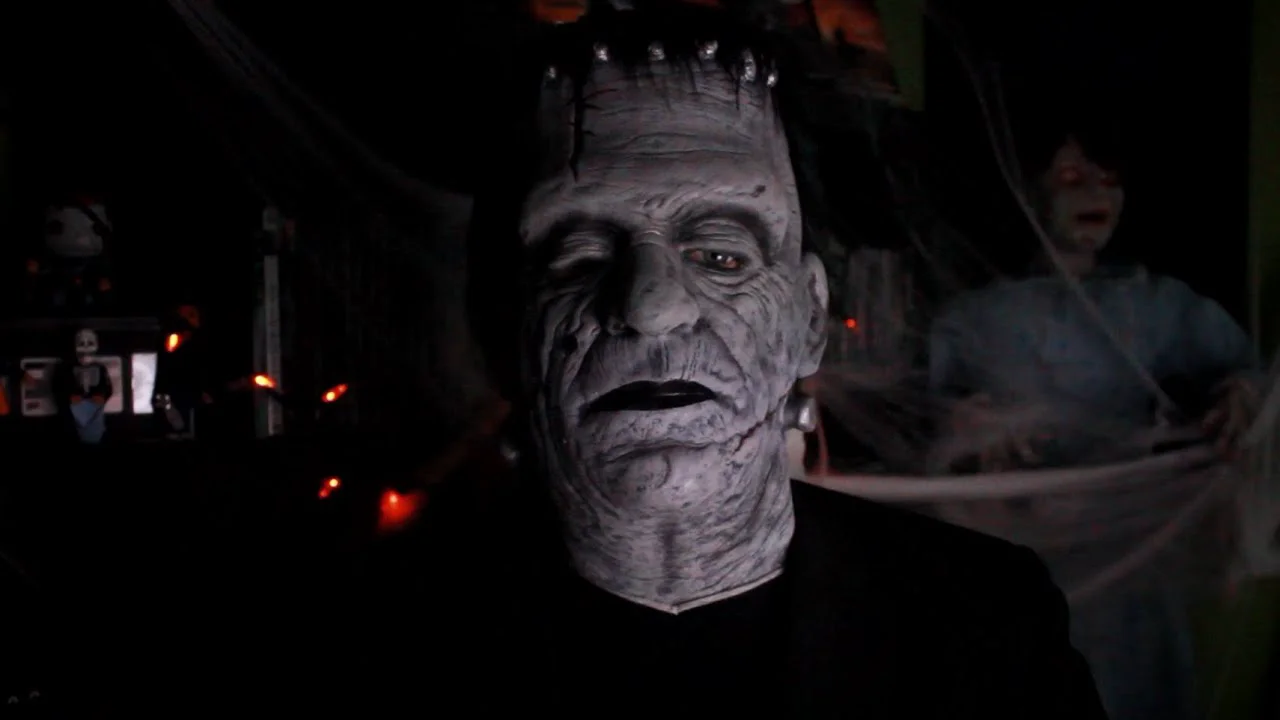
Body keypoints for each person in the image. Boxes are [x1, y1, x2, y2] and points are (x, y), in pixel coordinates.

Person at [354, 4, 1105, 717]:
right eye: (579, 257)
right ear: (497, 326)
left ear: (808, 317)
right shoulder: (366, 644)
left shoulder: (986, 624)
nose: (652, 306)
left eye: (721, 255)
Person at [928, 125, 1261, 719]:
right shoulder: (974, 317)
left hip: (1127, 565)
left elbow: (1244, 370)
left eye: (1108, 179)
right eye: (1071, 177)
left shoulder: (1153, 303)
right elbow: (923, 417)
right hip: (1020, 560)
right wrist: (964, 427)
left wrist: (1242, 392)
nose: (1095, 194)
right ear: (1030, 190)